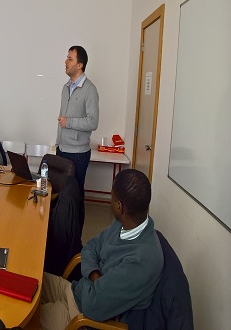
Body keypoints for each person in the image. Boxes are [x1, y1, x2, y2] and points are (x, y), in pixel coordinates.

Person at [40, 169, 164, 329]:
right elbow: (90, 247)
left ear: (119, 206)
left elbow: (93, 306)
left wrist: (92, 281)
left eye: (111, 197)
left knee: (20, 319)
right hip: (74, 289)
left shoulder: (141, 261)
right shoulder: (124, 224)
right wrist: (95, 275)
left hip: (78, 314)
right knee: (24, 281)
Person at [56, 45, 99, 200]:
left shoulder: (90, 89)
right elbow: (62, 117)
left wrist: (69, 122)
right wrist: (57, 143)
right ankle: (64, 224)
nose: (65, 61)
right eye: (66, 57)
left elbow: (93, 122)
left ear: (80, 65)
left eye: (70, 58)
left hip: (78, 154)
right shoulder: (65, 87)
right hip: (62, 149)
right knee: (62, 194)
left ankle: (76, 224)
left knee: (75, 196)